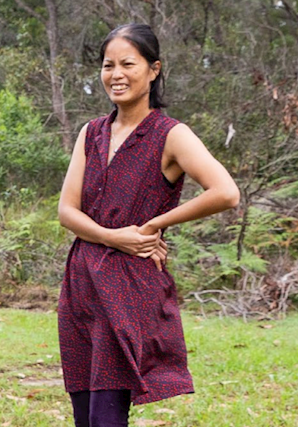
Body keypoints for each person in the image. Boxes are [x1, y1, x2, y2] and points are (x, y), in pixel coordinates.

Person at [57, 24, 240, 427]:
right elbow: (67, 211)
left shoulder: (170, 134)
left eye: (128, 64)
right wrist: (111, 237)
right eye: (108, 65)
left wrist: (154, 223)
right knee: (83, 408)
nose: (116, 74)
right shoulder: (92, 133)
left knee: (107, 411)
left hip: (127, 282)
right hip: (81, 278)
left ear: (153, 70)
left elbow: (226, 192)